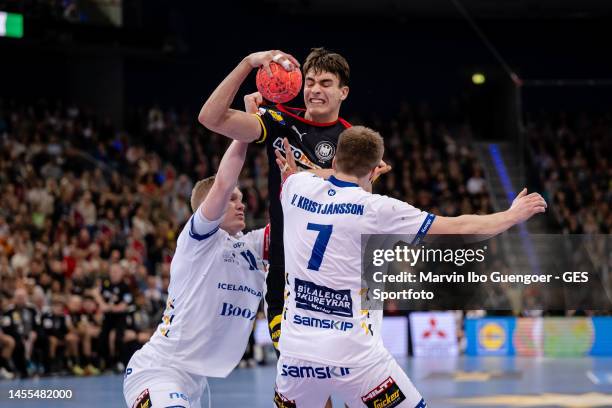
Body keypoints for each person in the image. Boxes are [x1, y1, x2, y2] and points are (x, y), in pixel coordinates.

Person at [273, 127, 547, 407]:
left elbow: (306, 178)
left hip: (296, 355)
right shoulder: (379, 209)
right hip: (354, 357)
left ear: (334, 162)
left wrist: (305, 174)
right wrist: (511, 215)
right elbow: (461, 227)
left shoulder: (296, 188)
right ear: (372, 170)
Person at [198, 48, 390, 354]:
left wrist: (315, 173)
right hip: (286, 277)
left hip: (337, 278)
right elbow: (211, 118)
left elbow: (361, 202)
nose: (314, 89)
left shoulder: (354, 140)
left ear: (344, 92)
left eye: (326, 83)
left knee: (346, 380)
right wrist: (247, 62)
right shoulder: (278, 121)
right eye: (310, 81)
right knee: (305, 383)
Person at [123, 139, 268, 408]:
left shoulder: (251, 246)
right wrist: (246, 131)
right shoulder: (198, 240)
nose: (241, 205)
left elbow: (294, 224)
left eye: (242, 199)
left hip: (194, 382)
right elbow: (224, 182)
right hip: (158, 371)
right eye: (232, 199)